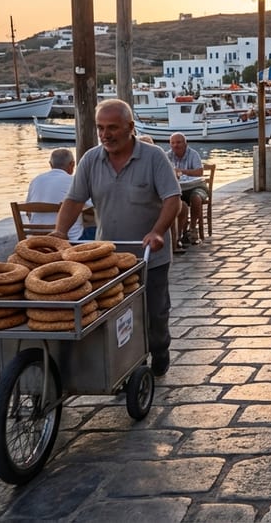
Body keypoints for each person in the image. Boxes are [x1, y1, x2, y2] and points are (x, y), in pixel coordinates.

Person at [54, 100, 181, 376]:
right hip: (109, 258)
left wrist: (158, 230)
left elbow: (172, 199)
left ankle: (159, 351)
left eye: (112, 127)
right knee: (115, 315)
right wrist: (59, 233)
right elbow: (74, 200)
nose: (105, 134)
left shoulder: (154, 157)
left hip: (150, 255)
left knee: (154, 314)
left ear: (130, 127)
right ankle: (125, 364)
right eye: (100, 128)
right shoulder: (90, 160)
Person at [26, 147, 88, 241]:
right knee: (98, 230)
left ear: (50, 164)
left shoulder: (36, 180)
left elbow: (28, 212)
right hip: (71, 239)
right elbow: (92, 205)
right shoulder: (74, 181)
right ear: (72, 164)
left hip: (37, 238)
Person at [165, 133, 206, 248]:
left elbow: (199, 172)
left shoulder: (193, 154)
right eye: (172, 143)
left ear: (185, 143)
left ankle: (192, 229)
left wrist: (182, 171)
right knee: (178, 203)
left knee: (196, 198)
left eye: (178, 142)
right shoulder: (167, 156)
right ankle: (179, 233)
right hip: (179, 188)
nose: (175, 145)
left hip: (196, 186)